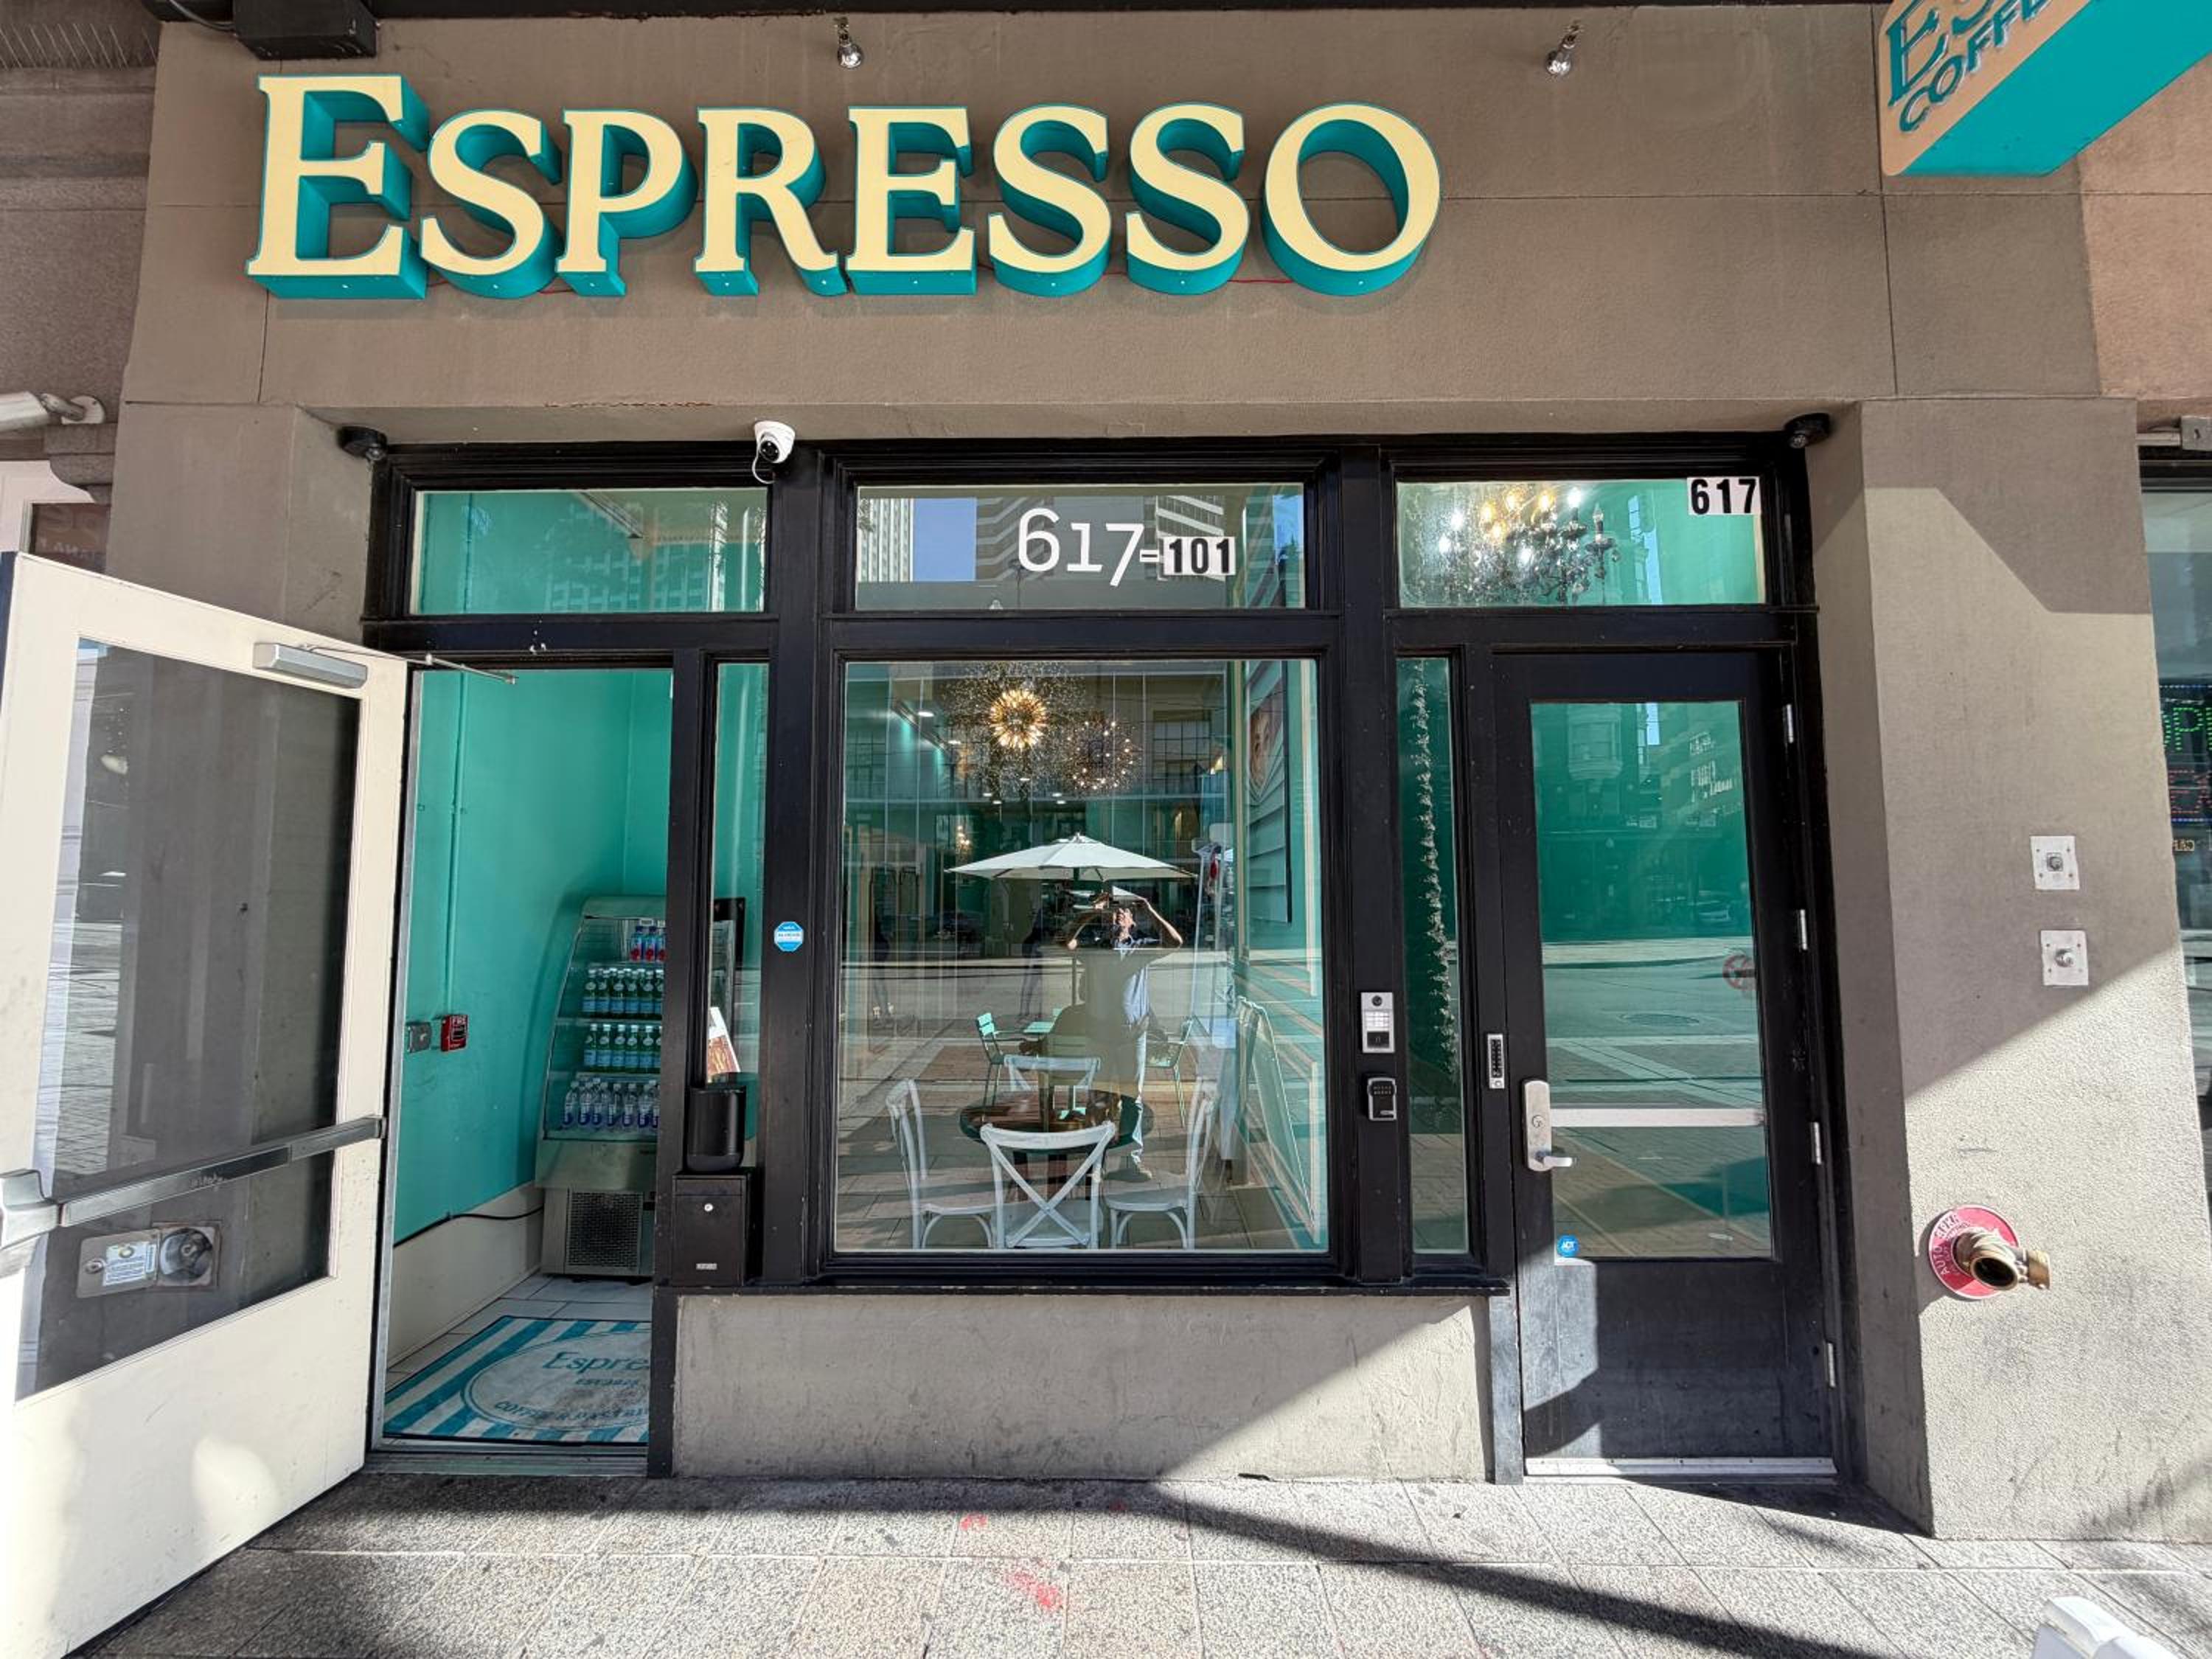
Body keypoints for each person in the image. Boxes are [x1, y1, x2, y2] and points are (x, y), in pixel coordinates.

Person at [1060, 888, 1183, 1088]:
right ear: (1104, 920)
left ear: (1132, 923)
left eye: (1124, 911)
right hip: (1099, 1032)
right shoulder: (1095, 950)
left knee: (1132, 1095)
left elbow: (1175, 942)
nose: (1117, 913)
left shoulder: (1140, 948)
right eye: (1112, 911)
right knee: (1099, 1092)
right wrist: (1091, 913)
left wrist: (1149, 910)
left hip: (1132, 1034)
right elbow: (1064, 942)